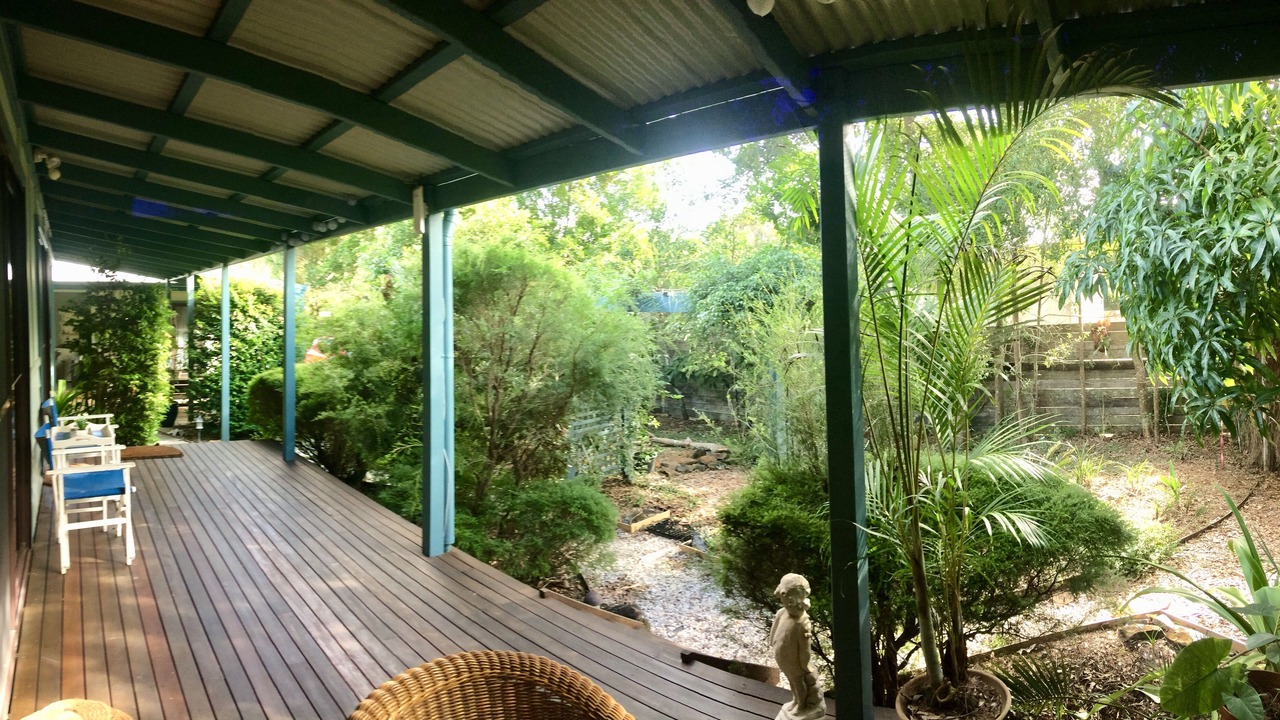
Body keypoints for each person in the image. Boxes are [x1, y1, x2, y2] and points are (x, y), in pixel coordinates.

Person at [768, 573, 825, 720]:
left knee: (798, 682)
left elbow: (805, 648)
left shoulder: (802, 623)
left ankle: (801, 705)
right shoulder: (782, 613)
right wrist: (772, 642)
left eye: (786, 598)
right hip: (784, 659)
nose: (784, 602)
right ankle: (796, 701)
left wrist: (806, 665)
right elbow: (774, 631)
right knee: (792, 681)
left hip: (794, 661)